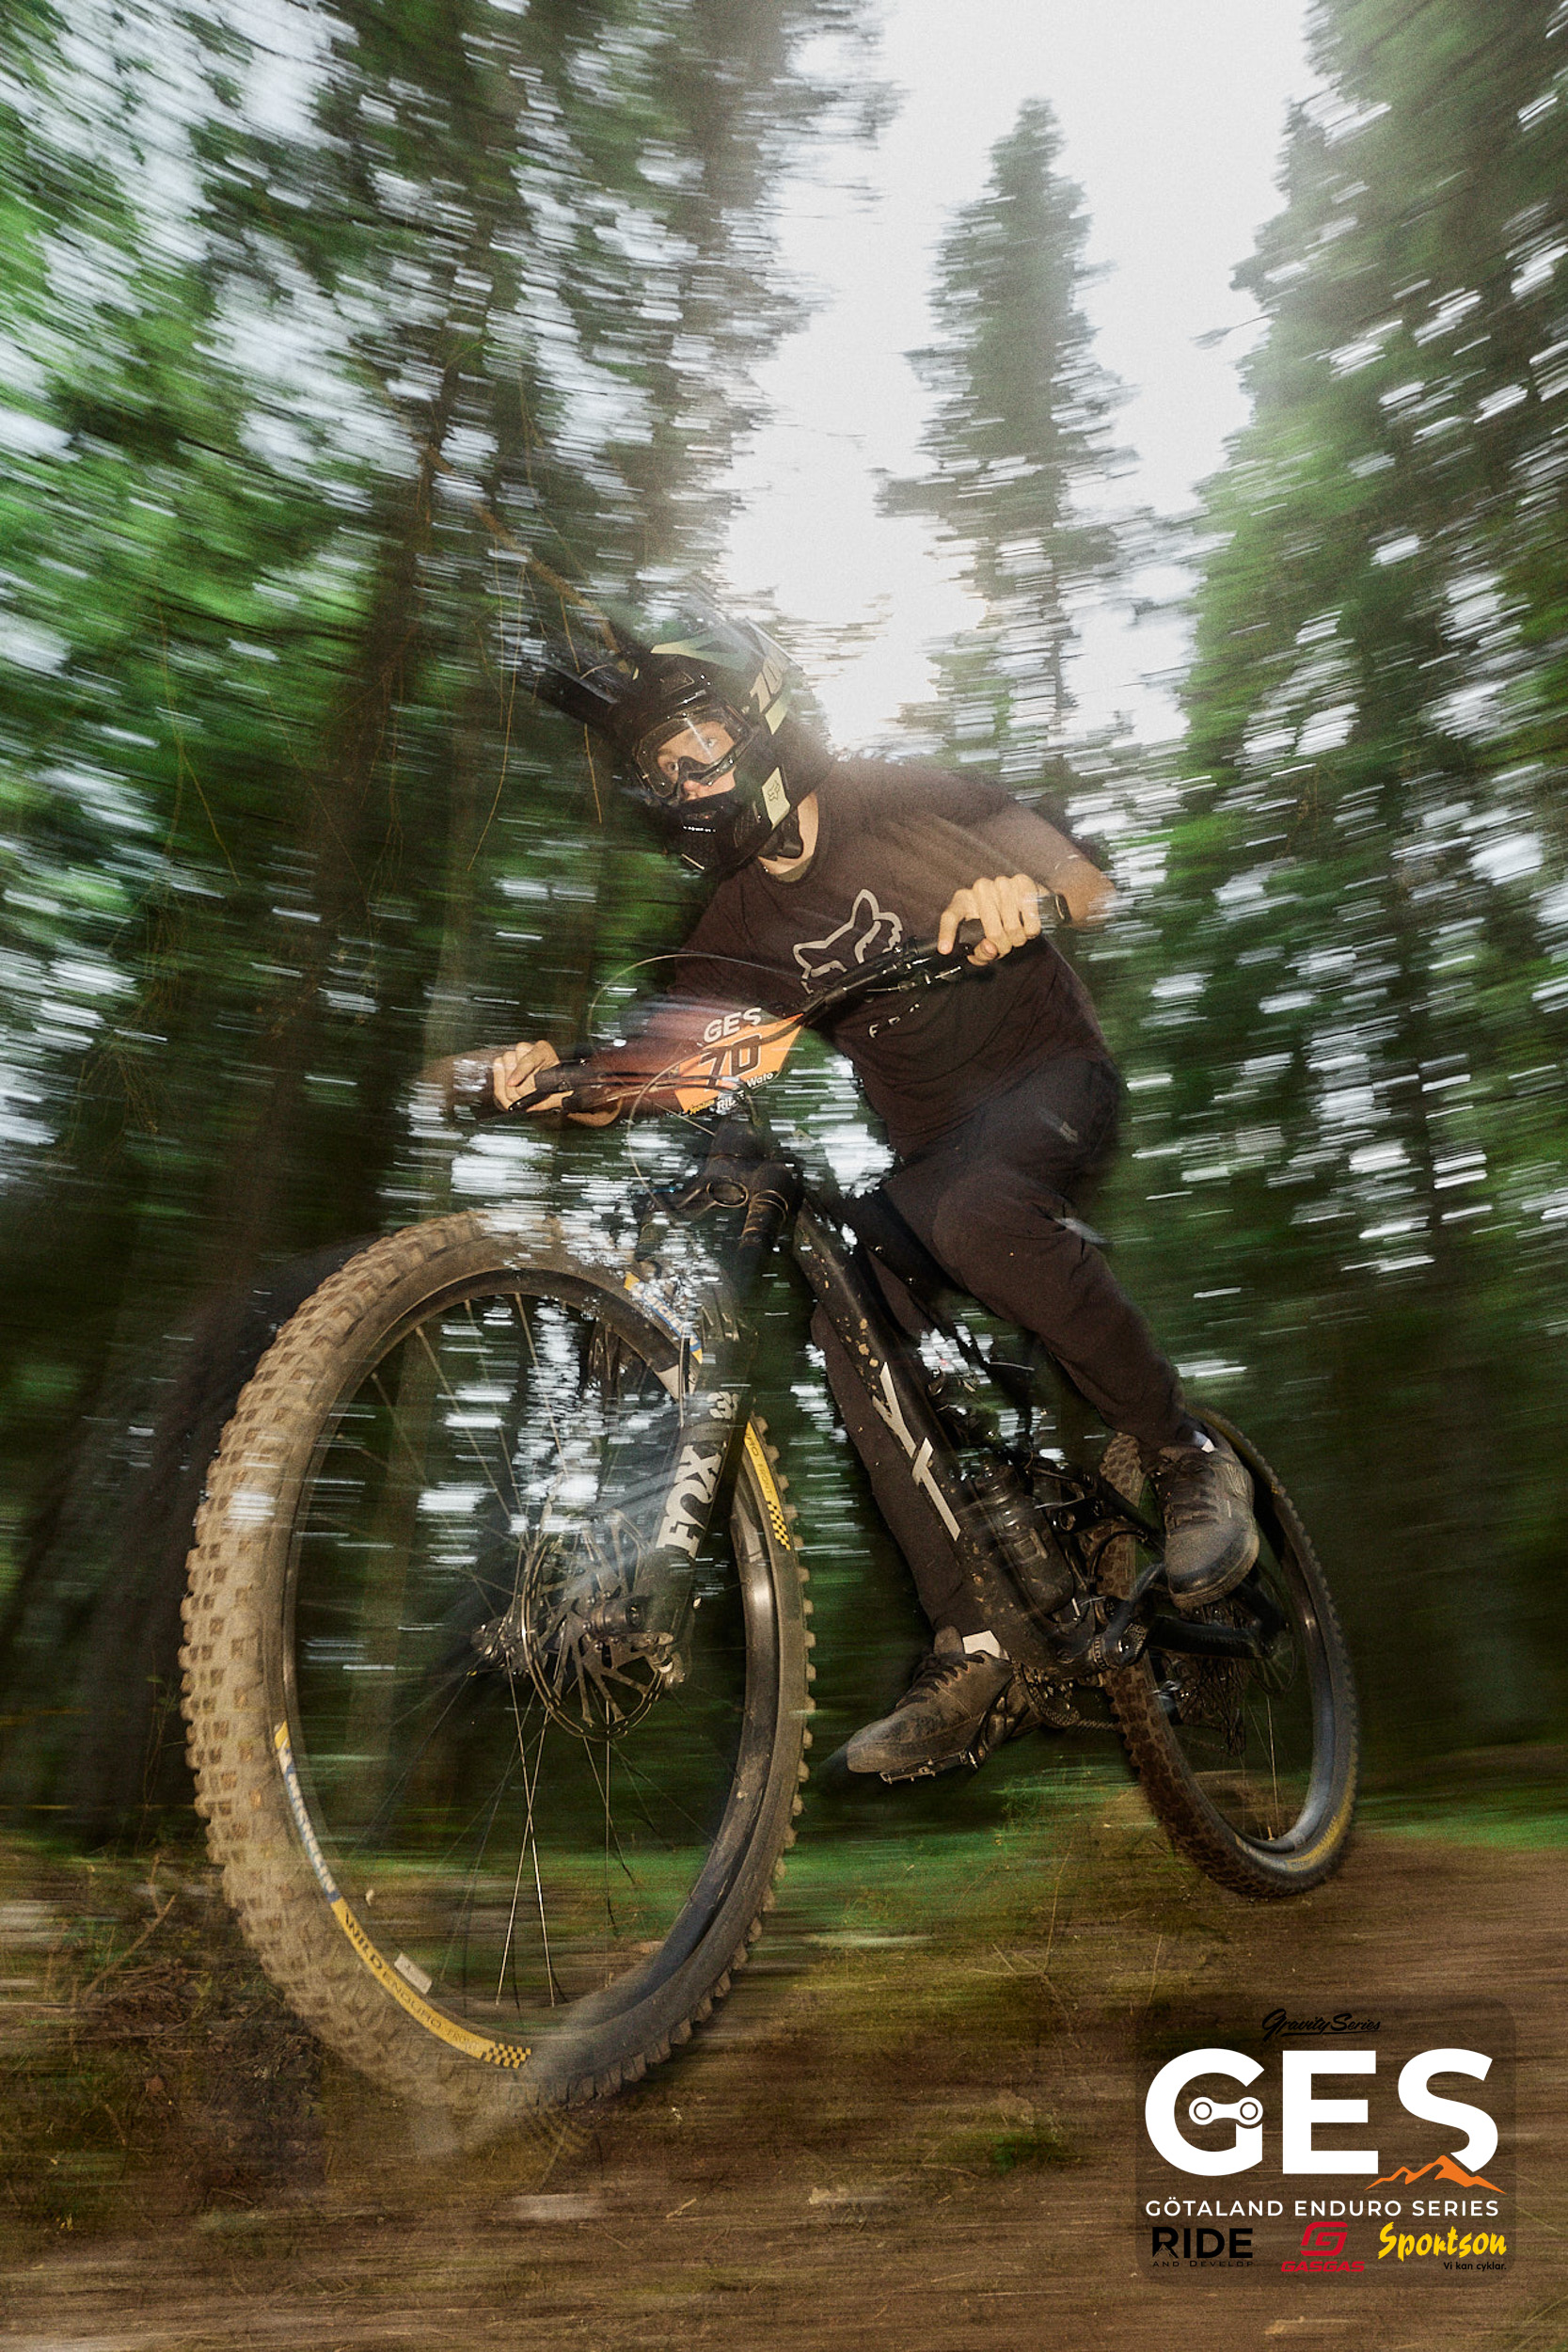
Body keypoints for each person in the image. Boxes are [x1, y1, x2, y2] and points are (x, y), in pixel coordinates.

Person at [483, 607, 1258, 1780]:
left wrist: (1030, 897)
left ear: (762, 721)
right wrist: (557, 1081)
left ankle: (1182, 1449)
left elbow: (1077, 873)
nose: (681, 782)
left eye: (696, 748)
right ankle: (976, 1641)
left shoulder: (885, 796)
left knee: (970, 1213)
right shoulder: (733, 923)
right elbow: (672, 1062)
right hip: (933, 1152)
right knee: (846, 1312)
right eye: (659, 769)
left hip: (1050, 1081)